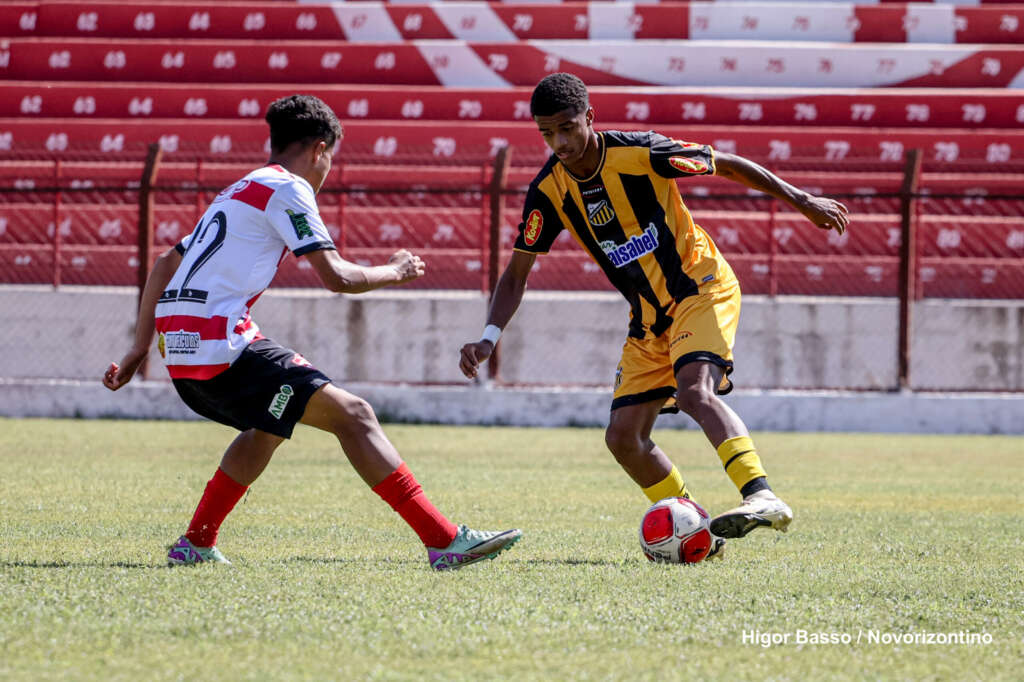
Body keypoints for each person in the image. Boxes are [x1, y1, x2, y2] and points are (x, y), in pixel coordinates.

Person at [104, 94, 520, 570]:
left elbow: (164, 262)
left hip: (180, 352)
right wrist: (395, 269)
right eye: (330, 162)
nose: (326, 174)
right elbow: (337, 277)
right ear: (320, 150)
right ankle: (445, 541)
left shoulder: (237, 189)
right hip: (221, 347)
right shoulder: (287, 188)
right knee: (355, 415)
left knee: (267, 426)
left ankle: (195, 544)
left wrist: (140, 348)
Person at [459, 73, 850, 555]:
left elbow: (724, 165)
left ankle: (762, 496)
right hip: (648, 320)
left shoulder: (642, 152)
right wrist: (488, 337)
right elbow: (517, 272)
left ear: (590, 118)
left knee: (693, 392)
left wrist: (802, 200)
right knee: (624, 438)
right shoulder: (549, 191)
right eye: (547, 133)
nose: (559, 143)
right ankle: (694, 526)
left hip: (699, 287)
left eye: (567, 128)